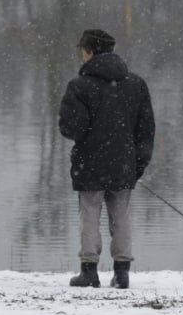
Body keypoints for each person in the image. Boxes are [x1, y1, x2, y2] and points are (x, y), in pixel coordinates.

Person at [58, 29, 156, 289]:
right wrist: (139, 163)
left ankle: (89, 271)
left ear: (89, 52)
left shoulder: (79, 86)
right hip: (124, 163)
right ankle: (122, 272)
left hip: (89, 163)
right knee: (121, 216)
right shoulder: (136, 84)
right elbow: (146, 130)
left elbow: (70, 128)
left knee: (89, 215)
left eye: (83, 51)